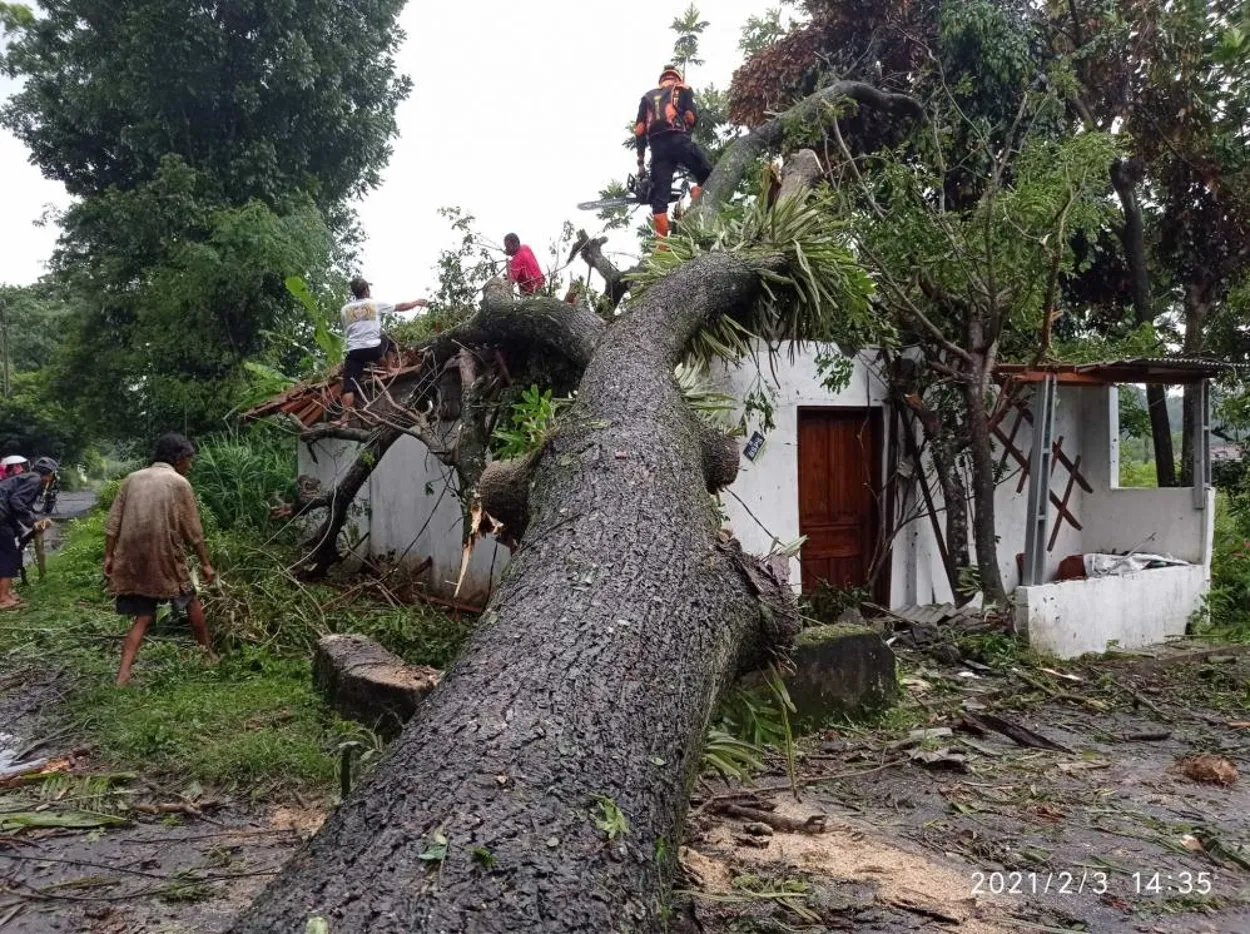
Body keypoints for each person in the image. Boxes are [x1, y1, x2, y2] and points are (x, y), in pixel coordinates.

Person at [105, 434, 216, 686]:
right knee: (190, 598)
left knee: (143, 615)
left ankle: (122, 675)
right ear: (178, 458)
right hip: (165, 555)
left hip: (132, 556)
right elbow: (193, 531)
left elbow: (112, 523)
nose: (190, 465)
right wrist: (206, 563)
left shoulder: (131, 479)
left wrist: (109, 556)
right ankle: (207, 654)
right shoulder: (178, 482)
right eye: (189, 460)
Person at [633, 65, 714, 239]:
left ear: (661, 80)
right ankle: (696, 197)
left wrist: (641, 164)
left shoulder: (646, 97)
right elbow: (691, 118)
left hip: (658, 149)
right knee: (707, 174)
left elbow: (639, 131)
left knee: (659, 201)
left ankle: (662, 248)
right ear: (677, 78)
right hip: (679, 141)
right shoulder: (682, 88)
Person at [337, 277, 429, 423]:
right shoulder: (374, 304)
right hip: (374, 349)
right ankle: (390, 368)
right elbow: (400, 306)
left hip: (355, 352)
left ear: (354, 292)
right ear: (366, 290)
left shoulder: (344, 310)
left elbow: (349, 330)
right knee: (388, 341)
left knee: (348, 386)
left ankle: (344, 419)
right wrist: (417, 302)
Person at [0, 457, 57, 610]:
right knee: (8, 555)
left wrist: (23, 530)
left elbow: (13, 508)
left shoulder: (27, 477)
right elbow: (16, 502)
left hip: (3, 516)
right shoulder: (35, 480)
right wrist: (34, 522)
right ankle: (3, 598)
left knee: (6, 551)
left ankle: (7, 593)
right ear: (50, 474)